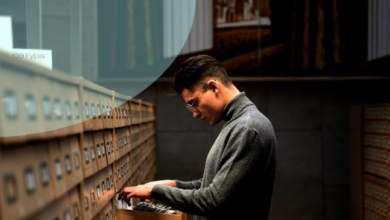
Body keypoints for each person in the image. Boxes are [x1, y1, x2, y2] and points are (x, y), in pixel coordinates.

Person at [119, 55, 277, 220]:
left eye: (193, 103)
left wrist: (156, 191)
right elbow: (215, 186)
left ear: (213, 87)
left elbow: (214, 200)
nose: (194, 114)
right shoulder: (238, 124)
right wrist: (173, 185)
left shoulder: (247, 128)